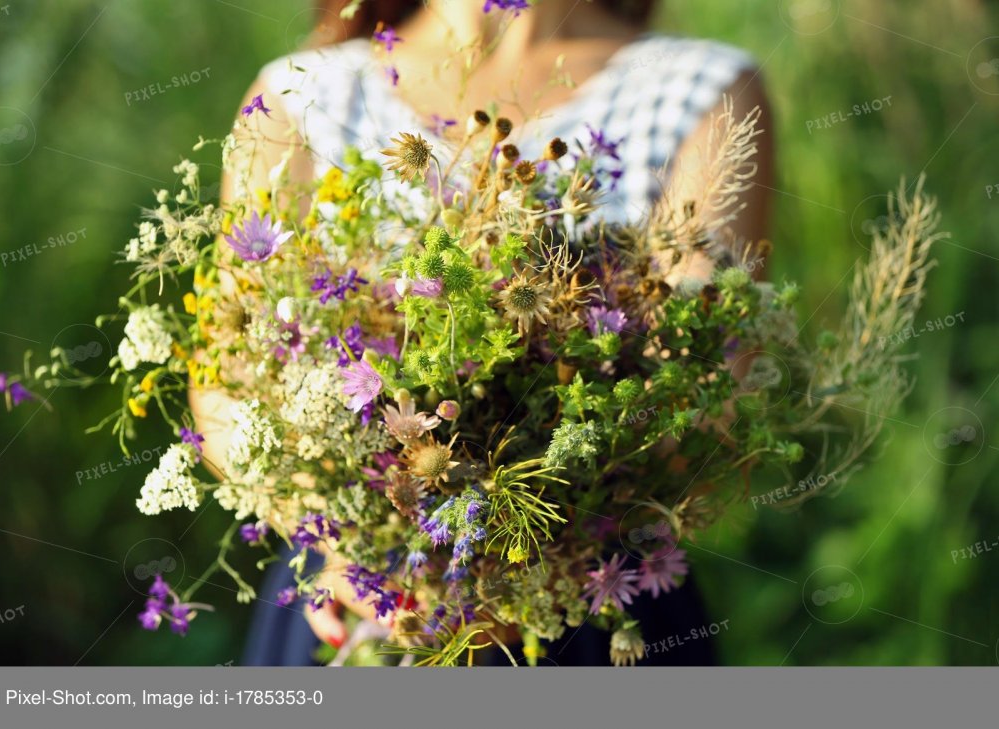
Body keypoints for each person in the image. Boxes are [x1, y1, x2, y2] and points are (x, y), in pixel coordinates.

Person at [194, 0, 773, 666]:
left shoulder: (704, 92)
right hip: (357, 601)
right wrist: (346, 541)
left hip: (588, 608)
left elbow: (710, 389)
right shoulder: (302, 93)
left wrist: (519, 567)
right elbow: (226, 381)